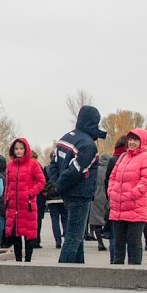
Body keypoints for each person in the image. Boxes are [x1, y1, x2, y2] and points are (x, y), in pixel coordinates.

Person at [47, 105, 107, 264]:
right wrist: (60, 185)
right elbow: (75, 171)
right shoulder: (88, 145)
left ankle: (79, 270)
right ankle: (63, 274)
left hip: (67, 194)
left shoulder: (66, 138)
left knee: (77, 237)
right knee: (74, 237)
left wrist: (56, 185)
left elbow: (53, 165)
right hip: (80, 194)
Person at [107, 129, 147, 264]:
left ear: (142, 142)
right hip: (118, 208)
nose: (132, 142)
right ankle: (117, 275)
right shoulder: (123, 157)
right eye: (130, 139)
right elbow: (113, 176)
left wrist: (132, 194)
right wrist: (111, 191)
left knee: (134, 243)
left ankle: (134, 275)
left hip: (135, 208)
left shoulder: (146, 158)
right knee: (118, 245)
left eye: (135, 140)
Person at [4, 138, 46, 262]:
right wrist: (6, 199)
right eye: (16, 148)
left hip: (27, 206)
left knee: (28, 235)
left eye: (21, 148)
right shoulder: (10, 165)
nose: (18, 151)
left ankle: (28, 260)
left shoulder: (33, 164)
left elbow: (41, 181)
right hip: (13, 205)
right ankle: (18, 260)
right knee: (15, 234)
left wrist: (30, 193)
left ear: (26, 149)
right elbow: (8, 184)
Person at [88, 151, 110, 252]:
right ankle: (111, 240)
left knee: (97, 221)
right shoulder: (111, 168)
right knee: (109, 218)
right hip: (107, 194)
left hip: (96, 194)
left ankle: (100, 243)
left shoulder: (96, 169)